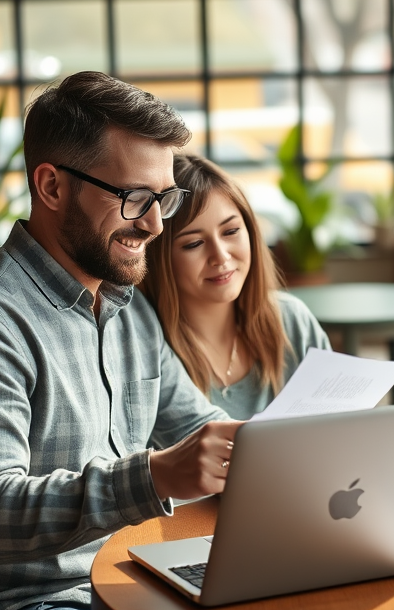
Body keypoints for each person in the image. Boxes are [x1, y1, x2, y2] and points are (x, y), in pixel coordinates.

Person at [0, 71, 243, 610]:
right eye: (135, 199)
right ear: (51, 185)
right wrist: (156, 475)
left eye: (164, 200)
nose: (156, 226)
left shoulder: (125, 307)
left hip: (110, 587)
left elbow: (201, 433)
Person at [140, 154, 331, 419]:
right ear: (160, 259)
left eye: (230, 232)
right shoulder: (146, 347)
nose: (221, 256)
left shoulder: (291, 321)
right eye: (193, 244)